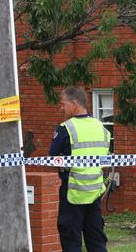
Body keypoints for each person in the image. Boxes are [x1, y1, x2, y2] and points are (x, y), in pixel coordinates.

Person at [49, 86, 110, 252]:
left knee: (71, 241)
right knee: (96, 241)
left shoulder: (66, 128)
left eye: (63, 104)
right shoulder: (102, 128)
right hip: (95, 193)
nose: (61, 108)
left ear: (74, 104)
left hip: (73, 193)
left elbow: (52, 157)